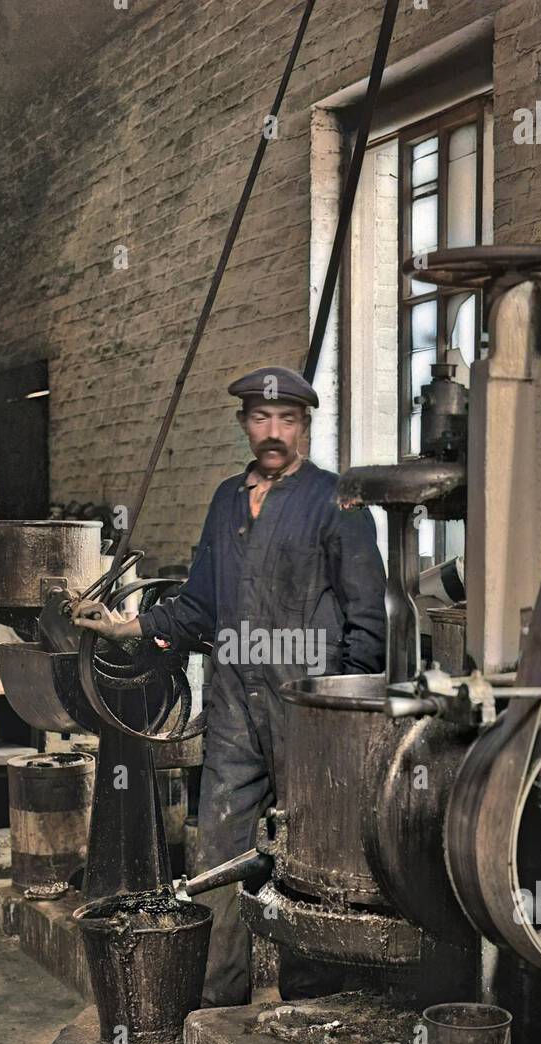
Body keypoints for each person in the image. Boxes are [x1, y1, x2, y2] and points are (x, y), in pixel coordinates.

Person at [73, 366, 386, 1005]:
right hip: (234, 703)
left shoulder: (339, 501)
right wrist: (126, 626)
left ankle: (316, 1001)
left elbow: (368, 620)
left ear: (305, 425)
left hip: (310, 706)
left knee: (313, 853)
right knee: (216, 846)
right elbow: (196, 608)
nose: (274, 432)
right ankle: (216, 999)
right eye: (262, 419)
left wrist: (346, 711)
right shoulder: (224, 501)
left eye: (289, 420)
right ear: (245, 422)